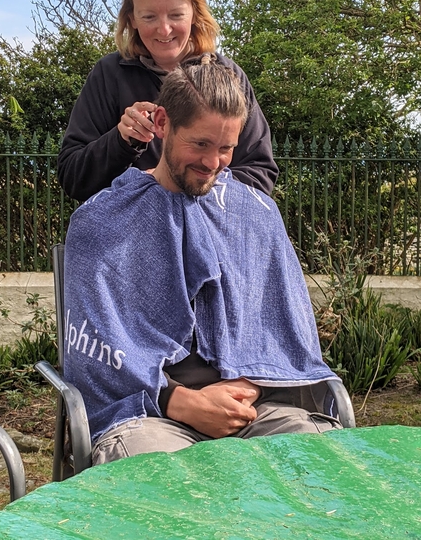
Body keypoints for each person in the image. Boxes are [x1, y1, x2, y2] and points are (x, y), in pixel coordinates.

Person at [63, 58, 342, 465]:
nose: (213, 163)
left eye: (226, 148)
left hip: (256, 407)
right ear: (161, 123)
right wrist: (180, 401)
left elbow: (283, 330)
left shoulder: (254, 215)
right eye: (200, 144)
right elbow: (95, 359)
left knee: (319, 459)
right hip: (148, 413)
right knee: (151, 479)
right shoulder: (101, 221)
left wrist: (250, 386)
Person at [57, 0, 278, 202]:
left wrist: (186, 191)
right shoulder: (109, 74)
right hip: (131, 237)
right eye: (149, 16)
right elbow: (72, 177)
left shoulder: (229, 76)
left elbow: (260, 174)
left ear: (195, 13)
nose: (164, 29)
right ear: (132, 20)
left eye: (176, 15)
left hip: (210, 238)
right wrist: (121, 142)